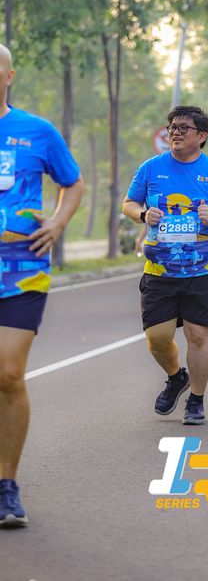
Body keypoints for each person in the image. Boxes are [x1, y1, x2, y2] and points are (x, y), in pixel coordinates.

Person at [0, 44, 84, 527]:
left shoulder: (37, 131)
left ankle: (6, 485)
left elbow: (72, 183)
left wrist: (57, 222)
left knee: (9, 375)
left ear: (9, 75)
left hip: (21, 269)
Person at [123, 105, 208, 426]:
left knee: (198, 336)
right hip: (159, 270)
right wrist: (142, 214)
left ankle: (197, 400)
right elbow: (129, 203)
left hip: (202, 270)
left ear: (201, 136)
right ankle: (177, 377)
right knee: (157, 337)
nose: (175, 132)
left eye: (183, 128)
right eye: (172, 127)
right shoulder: (151, 168)